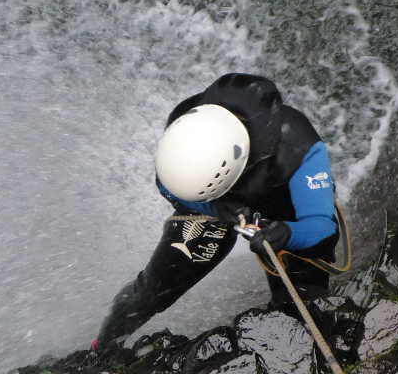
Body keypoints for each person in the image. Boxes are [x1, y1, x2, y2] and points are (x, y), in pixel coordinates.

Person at [91, 73, 339, 351]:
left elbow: (321, 225)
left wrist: (287, 233)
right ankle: (101, 347)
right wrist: (213, 207)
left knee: (300, 315)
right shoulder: (186, 127)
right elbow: (167, 185)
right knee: (151, 291)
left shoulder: (299, 148)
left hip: (285, 212)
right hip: (214, 207)